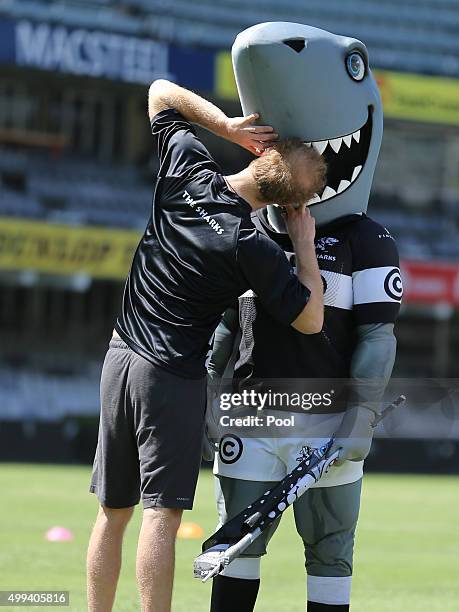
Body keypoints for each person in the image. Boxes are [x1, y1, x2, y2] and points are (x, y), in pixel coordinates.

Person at [86, 78, 327, 612]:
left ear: (261, 151)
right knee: (162, 514)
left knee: (112, 512)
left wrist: (228, 127)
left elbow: (158, 92)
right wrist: (305, 246)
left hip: (119, 354)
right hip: (169, 375)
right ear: (290, 204)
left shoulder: (189, 168)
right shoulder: (252, 245)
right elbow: (311, 319)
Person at [206, 21, 403, 612]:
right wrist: (210, 396)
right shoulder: (243, 229)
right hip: (251, 412)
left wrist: (361, 415)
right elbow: (225, 329)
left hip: (326, 417)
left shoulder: (369, 240)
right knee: (238, 552)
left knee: (331, 550)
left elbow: (376, 335)